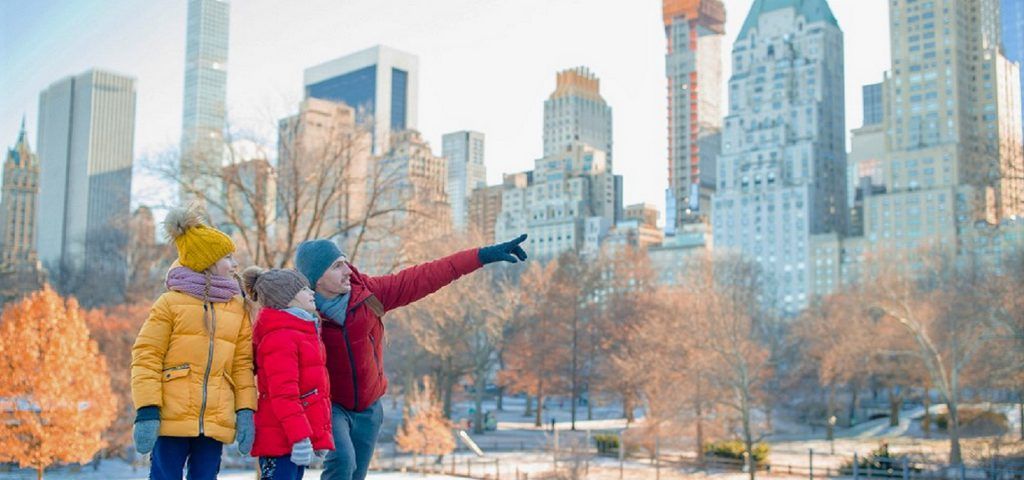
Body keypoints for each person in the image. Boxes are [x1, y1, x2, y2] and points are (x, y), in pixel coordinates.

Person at [295, 234, 528, 480]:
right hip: (331, 405)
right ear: (316, 279)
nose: (347, 271)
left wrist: (481, 256)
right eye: (337, 266)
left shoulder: (369, 294)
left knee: (356, 474)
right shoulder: (302, 315)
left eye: (344, 262)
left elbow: (428, 275)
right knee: (343, 462)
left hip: (369, 406)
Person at [130, 206, 257, 480]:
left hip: (215, 419)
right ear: (207, 261)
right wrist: (147, 410)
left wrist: (246, 410)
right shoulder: (170, 303)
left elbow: (243, 365)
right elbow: (146, 356)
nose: (235, 264)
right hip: (170, 418)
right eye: (227, 257)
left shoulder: (237, 307)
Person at [243, 267, 334, 480]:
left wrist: (318, 437)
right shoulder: (281, 337)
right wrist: (300, 437)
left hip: (293, 439)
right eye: (303, 289)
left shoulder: (303, 332)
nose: (311, 292)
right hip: (281, 441)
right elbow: (284, 394)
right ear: (285, 298)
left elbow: (313, 394)